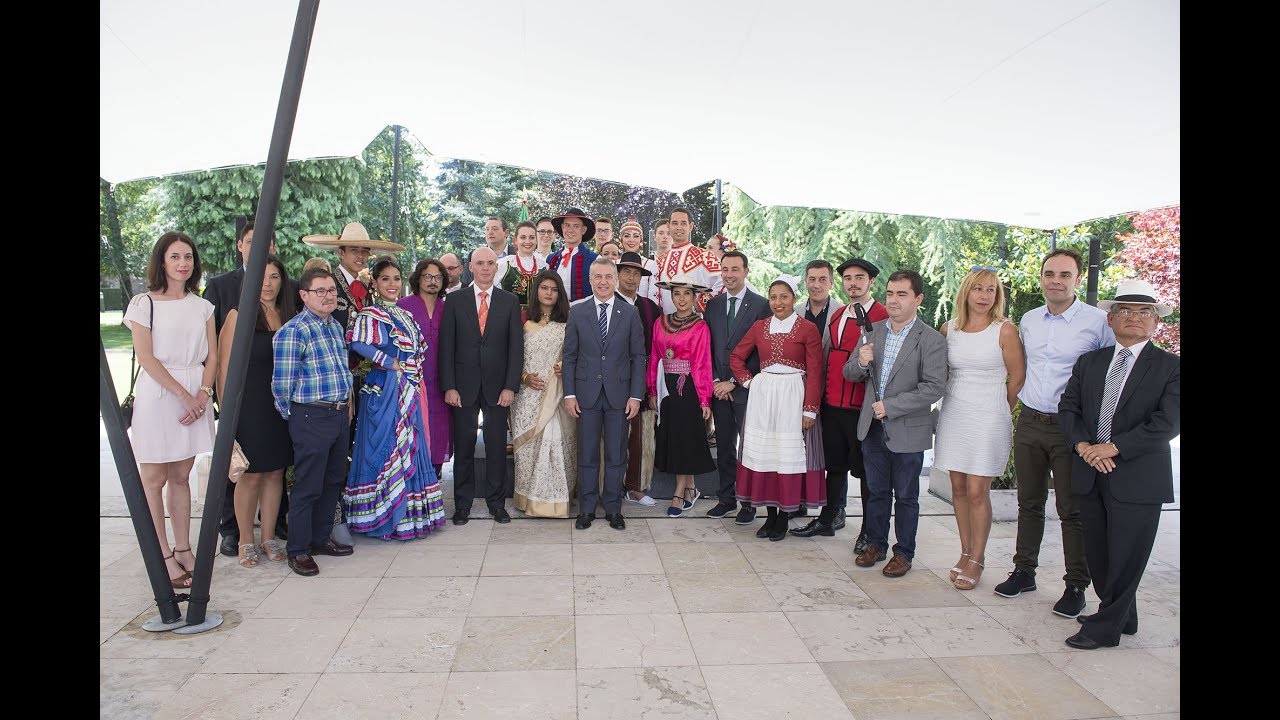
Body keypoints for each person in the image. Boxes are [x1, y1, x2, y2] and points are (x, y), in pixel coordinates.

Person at [1057, 279, 1179, 650]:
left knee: (1128, 554)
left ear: (1155, 322)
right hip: (1091, 470)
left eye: (1144, 312)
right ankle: (1123, 615)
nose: (1134, 318)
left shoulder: (1170, 367)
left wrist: (1113, 448)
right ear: (1110, 320)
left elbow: (1168, 421)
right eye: (1125, 310)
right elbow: (1069, 408)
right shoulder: (1090, 362)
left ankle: (1104, 628)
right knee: (1100, 555)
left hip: (1138, 476)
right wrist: (1083, 446)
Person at [994, 248, 1116, 618]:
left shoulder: (1098, 322)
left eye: (1065, 274)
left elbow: (1110, 376)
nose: (1056, 281)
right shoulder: (1029, 320)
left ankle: (1076, 584)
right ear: (1042, 278)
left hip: (1071, 427)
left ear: (1078, 279)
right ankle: (1024, 571)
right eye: (1050, 274)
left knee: (1071, 509)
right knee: (1029, 502)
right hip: (1031, 420)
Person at [301, 222, 406, 546]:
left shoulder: (369, 290)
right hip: (334, 383)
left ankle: (359, 513)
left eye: (364, 250)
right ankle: (327, 524)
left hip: (366, 384)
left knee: (356, 449)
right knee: (332, 455)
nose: (360, 255)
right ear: (341, 252)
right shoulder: (328, 286)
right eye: (354, 250)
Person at [125, 231, 217, 588]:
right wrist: (185, 395)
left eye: (188, 257)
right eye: (175, 257)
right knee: (153, 479)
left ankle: (183, 547)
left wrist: (204, 393)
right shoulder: (142, 303)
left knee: (181, 476)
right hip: (159, 395)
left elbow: (213, 355)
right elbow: (146, 357)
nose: (183, 264)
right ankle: (160, 552)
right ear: (162, 261)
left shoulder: (203, 306)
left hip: (197, 392)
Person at [847, 270, 947, 576]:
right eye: (890, 293)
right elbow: (849, 373)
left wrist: (891, 406)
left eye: (902, 294)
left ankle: (903, 553)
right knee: (876, 491)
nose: (893, 300)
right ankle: (875, 544)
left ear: (917, 299)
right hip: (872, 429)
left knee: (906, 496)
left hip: (907, 429)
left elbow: (934, 386)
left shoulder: (931, 339)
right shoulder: (872, 332)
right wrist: (862, 362)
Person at [932, 267, 1027, 590]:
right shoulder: (949, 329)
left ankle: (979, 558)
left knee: (977, 491)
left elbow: (1017, 379)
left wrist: (1000, 409)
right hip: (955, 411)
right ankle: (965, 550)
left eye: (991, 290)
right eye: (978, 289)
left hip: (988, 414)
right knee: (957, 487)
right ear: (967, 293)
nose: (984, 296)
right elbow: (941, 373)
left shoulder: (1005, 330)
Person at [342, 257, 445, 540]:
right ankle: (384, 515)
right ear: (374, 283)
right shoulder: (371, 315)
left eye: (396, 278)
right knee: (387, 447)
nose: (392, 284)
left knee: (410, 445)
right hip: (386, 389)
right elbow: (358, 342)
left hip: (410, 388)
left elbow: (418, 352)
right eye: (385, 279)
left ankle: (410, 516)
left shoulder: (405, 315)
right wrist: (387, 361)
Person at [205, 221, 291, 556]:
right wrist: (227, 416)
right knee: (250, 475)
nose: (268, 284)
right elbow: (223, 370)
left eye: (274, 277)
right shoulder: (238, 316)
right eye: (263, 276)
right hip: (248, 407)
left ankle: (268, 537)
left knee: (275, 473)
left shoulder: (286, 313)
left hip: (279, 405)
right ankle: (244, 540)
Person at [795, 259, 888, 542]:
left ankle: (868, 532)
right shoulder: (837, 315)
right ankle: (827, 518)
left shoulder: (882, 315)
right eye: (848, 278)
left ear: (871, 282)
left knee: (867, 472)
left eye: (859, 278)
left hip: (862, 408)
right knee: (833, 466)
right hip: (832, 404)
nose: (853, 283)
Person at [271, 267, 356, 576]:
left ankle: (321, 539)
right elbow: (281, 385)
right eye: (320, 291)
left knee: (332, 479)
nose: (328, 296)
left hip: (337, 414)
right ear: (304, 295)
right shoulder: (293, 331)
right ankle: (298, 549)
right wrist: (297, 418)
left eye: (331, 290)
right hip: (310, 416)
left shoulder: (333, 326)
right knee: (307, 485)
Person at [730, 279, 826, 541]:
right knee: (766, 455)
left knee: (787, 455)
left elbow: (816, 371)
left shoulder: (807, 329)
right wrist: (750, 382)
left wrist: (810, 410)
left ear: (793, 298)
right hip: (764, 398)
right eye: (773, 297)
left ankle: (784, 517)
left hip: (793, 396)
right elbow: (736, 356)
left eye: (784, 297)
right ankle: (770, 515)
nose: (778, 302)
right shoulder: (760, 327)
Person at [439, 246, 524, 525]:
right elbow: (446, 347)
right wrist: (449, 385)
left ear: (497, 267)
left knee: (497, 447)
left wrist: (511, 386)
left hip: (498, 387)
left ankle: (496, 504)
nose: (486, 268)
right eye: (480, 263)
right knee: (463, 447)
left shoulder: (510, 301)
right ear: (470, 267)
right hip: (462, 387)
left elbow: (516, 349)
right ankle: (462, 504)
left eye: (490, 263)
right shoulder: (455, 300)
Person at [563, 257, 646, 531]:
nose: (603, 282)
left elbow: (638, 356)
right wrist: (569, 394)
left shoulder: (630, 313)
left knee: (615, 455)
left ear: (616, 279)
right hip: (585, 395)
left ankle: (613, 509)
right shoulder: (578, 312)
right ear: (590, 280)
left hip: (619, 397)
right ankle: (586, 510)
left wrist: (636, 395)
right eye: (598, 277)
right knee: (586, 455)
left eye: (608, 277)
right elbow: (570, 356)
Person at [704, 250, 771, 524]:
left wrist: (732, 381)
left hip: (745, 389)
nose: (729, 274)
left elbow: (761, 351)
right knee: (726, 447)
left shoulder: (761, 305)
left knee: (749, 447)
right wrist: (713, 382)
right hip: (718, 390)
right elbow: (707, 347)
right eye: (725, 269)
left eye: (735, 269)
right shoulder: (713, 305)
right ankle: (726, 498)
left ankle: (748, 502)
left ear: (746, 272)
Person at [648, 274, 716, 516]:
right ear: (671, 296)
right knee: (673, 436)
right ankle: (690, 487)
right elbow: (655, 358)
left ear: (694, 297)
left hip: (687, 388)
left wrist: (704, 398)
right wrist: (653, 389)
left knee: (685, 438)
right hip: (665, 385)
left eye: (687, 293)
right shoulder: (660, 322)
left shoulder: (700, 326)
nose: (682, 298)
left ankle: (679, 491)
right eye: (677, 293)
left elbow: (702, 364)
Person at [511, 271, 577, 517]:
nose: (549, 293)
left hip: (557, 394)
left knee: (555, 444)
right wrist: (525, 377)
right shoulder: (522, 320)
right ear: (536, 290)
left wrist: (564, 366)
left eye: (554, 289)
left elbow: (575, 354)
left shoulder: (569, 321)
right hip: (527, 395)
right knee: (530, 448)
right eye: (544, 288)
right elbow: (512, 356)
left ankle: (556, 501)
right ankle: (527, 499)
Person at [398, 258, 453, 480]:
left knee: (439, 428)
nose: (433, 281)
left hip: (441, 380)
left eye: (438, 277)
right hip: (412, 380)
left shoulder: (448, 307)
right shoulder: (404, 306)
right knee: (415, 429)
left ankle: (434, 481)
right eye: (428, 276)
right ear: (418, 278)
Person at [615, 252, 662, 506]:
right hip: (611, 380)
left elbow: (655, 348)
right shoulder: (607, 302)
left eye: (636, 273)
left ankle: (635, 487)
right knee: (609, 437)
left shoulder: (649, 307)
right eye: (626, 272)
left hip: (642, 380)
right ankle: (609, 487)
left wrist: (652, 385)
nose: (631, 277)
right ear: (618, 274)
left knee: (641, 436)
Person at [652, 208, 722, 314]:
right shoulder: (660, 260)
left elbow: (723, 280)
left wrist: (702, 302)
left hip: (696, 323)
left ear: (691, 226)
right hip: (665, 324)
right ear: (668, 226)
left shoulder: (704, 255)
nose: (679, 227)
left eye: (683, 223)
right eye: (675, 223)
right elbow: (655, 294)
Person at [547, 207, 600, 302]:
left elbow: (600, 291)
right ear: (562, 227)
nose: (570, 230)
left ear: (583, 230)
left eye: (576, 226)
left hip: (583, 313)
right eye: (567, 225)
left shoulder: (595, 259)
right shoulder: (550, 259)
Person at [496, 221, 550, 309]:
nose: (527, 241)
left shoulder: (544, 267)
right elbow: (483, 286)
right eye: (523, 237)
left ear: (536, 240)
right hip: (510, 318)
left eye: (532, 237)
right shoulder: (505, 263)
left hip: (538, 319)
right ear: (515, 240)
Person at [799, 259, 843, 348]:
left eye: (822, 279)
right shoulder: (795, 313)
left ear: (831, 283)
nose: (816, 285)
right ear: (806, 283)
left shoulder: (842, 313)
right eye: (812, 279)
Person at [462, 216, 515, 286]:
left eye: (494, 229)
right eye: (487, 229)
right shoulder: (474, 255)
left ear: (506, 232)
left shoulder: (516, 255)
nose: (490, 232)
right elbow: (466, 284)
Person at [617, 217, 659, 301]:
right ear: (621, 240)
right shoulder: (613, 264)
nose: (631, 240)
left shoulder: (651, 265)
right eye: (627, 236)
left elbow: (653, 297)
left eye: (636, 236)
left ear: (641, 240)